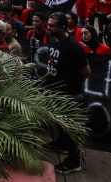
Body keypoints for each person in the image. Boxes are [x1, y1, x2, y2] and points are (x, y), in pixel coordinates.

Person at [42, 12, 91, 174]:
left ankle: (74, 161)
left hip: (68, 93)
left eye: (52, 26)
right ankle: (61, 144)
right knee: (59, 123)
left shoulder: (73, 46)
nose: (49, 28)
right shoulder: (52, 40)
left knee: (71, 129)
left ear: (63, 27)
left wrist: (69, 81)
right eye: (48, 25)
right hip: (54, 90)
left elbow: (86, 72)